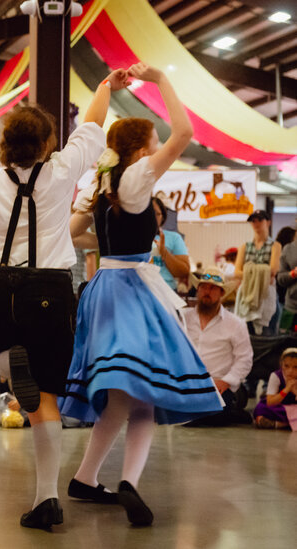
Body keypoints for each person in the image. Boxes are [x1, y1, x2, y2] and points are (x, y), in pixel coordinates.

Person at [0, 68, 128, 530]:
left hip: (0, 284)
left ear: (7, 144)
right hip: (49, 287)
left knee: (2, 361)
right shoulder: (62, 170)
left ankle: (9, 367)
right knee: (45, 396)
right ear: (45, 144)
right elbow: (93, 125)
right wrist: (105, 86)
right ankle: (46, 497)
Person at [61, 63, 221, 528]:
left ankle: (87, 478)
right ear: (139, 148)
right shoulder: (135, 178)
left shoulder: (102, 182)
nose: (157, 148)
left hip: (105, 287)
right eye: (152, 142)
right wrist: (160, 80)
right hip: (131, 289)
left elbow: (72, 233)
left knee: (127, 391)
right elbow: (184, 132)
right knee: (139, 388)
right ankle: (126, 479)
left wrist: (102, 242)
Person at [183, 267, 253, 426]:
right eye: (203, 287)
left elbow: (245, 359)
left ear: (222, 293)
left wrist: (226, 382)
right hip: (185, 384)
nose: (207, 292)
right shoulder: (183, 318)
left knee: (209, 417)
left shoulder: (236, 324)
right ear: (198, 289)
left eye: (213, 288)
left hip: (216, 386)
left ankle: (229, 410)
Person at [235, 210, 280, 334]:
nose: (256, 223)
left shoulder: (275, 246)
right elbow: (236, 272)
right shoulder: (244, 247)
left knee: (267, 332)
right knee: (246, 333)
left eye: (260, 220)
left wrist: (248, 271)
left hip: (266, 295)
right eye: (253, 221)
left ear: (268, 222)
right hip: (247, 296)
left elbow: (273, 270)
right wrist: (263, 272)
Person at [149, 197, 189, 293]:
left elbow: (183, 272)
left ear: (163, 217)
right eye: (150, 213)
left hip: (167, 291)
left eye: (157, 214)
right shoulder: (133, 238)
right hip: (140, 291)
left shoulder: (174, 238)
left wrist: (164, 252)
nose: (153, 217)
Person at [253, 348, 297, 429]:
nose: (290, 371)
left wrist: (295, 391)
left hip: (294, 407)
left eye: (295, 367)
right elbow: (270, 402)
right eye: (286, 366)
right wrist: (286, 389)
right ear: (281, 364)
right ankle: (290, 423)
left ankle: (281, 424)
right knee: (261, 408)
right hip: (279, 407)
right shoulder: (276, 376)